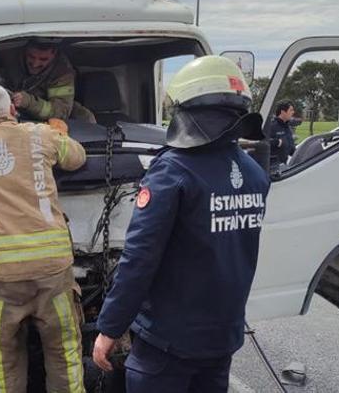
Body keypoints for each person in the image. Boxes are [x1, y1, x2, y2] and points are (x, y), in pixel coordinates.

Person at [91, 56, 270, 393]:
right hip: (221, 339)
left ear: (188, 109)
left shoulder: (173, 171)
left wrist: (110, 328)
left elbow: (139, 259)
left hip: (167, 345)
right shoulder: (254, 173)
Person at [0, 84, 87, 393]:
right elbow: (76, 157)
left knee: (0, 361)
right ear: (12, 110)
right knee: (65, 356)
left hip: (1, 281)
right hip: (53, 273)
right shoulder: (41, 135)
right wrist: (60, 130)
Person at [0, 40, 96, 123]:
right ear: (25, 51)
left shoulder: (63, 73)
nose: (35, 64)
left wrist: (29, 102)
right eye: (31, 56)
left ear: (54, 54)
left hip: (47, 122)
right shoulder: (10, 51)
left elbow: (60, 113)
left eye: (43, 59)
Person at [267, 100, 296, 170]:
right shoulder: (271, 126)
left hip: (284, 166)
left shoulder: (288, 127)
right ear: (283, 112)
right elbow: (261, 142)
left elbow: (291, 149)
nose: (293, 112)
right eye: (291, 110)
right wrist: (276, 142)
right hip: (272, 167)